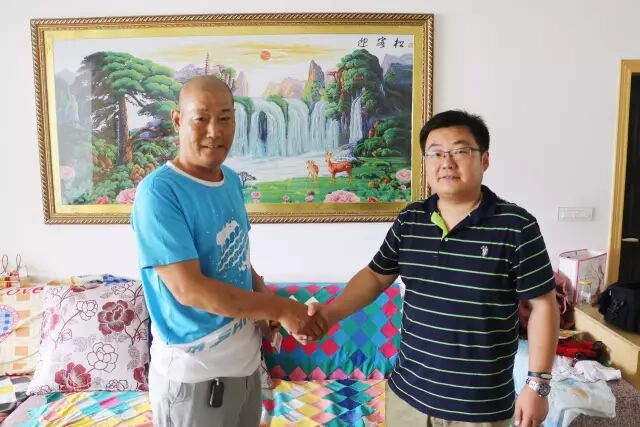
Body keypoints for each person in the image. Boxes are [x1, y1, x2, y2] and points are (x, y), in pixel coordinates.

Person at [303, 110, 559, 427]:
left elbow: (543, 305)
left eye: (460, 151)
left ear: (484, 160)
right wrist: (328, 314)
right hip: (407, 399)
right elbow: (375, 277)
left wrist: (537, 385)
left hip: (479, 408)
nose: (446, 162)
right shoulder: (410, 220)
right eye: (436, 153)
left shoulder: (516, 226)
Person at [131, 76, 326, 427]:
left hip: (246, 365)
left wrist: (269, 314)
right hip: (196, 376)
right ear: (177, 120)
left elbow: (238, 258)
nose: (215, 131)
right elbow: (190, 289)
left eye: (225, 118)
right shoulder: (158, 193)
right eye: (201, 119)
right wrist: (281, 308)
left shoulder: (231, 181)